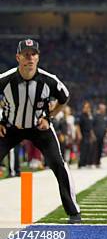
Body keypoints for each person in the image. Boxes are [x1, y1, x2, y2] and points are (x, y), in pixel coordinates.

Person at [0, 39, 81, 223]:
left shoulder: (48, 80)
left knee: (59, 165)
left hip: (39, 128)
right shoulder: (5, 79)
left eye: (33, 54)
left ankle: (74, 212)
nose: (30, 58)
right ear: (17, 57)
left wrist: (49, 117)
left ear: (38, 57)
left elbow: (64, 97)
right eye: (26, 54)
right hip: (11, 127)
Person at [77, 101, 95, 168]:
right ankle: (81, 164)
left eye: (88, 107)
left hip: (88, 134)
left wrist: (92, 135)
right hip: (83, 134)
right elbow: (78, 125)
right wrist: (79, 134)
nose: (87, 109)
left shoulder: (89, 116)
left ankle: (86, 163)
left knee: (88, 149)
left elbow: (90, 127)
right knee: (83, 149)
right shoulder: (81, 116)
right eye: (86, 107)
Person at [92, 103, 107, 168]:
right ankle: (93, 162)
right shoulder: (95, 116)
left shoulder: (104, 117)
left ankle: (98, 162)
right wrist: (93, 135)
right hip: (96, 136)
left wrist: (105, 136)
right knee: (95, 149)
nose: (104, 110)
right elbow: (92, 126)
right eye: (103, 109)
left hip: (102, 136)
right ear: (100, 109)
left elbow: (106, 127)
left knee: (100, 150)